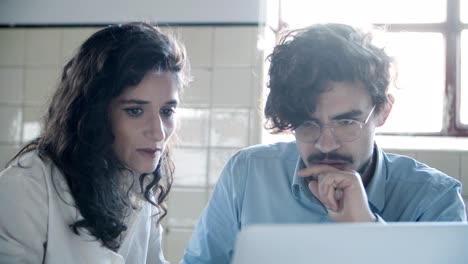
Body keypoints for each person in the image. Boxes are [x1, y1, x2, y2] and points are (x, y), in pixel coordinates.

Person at [181, 23, 466, 263]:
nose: (326, 145)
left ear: (383, 111)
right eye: (308, 124)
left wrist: (365, 231)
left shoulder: (433, 200)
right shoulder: (247, 174)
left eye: (346, 122)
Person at [0, 22, 190, 263]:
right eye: (134, 111)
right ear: (94, 113)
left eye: (167, 111)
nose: (159, 133)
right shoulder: (27, 186)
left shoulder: (141, 192)